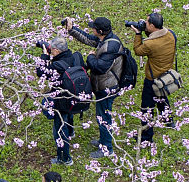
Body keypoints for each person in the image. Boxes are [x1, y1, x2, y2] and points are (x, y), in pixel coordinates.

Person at [66, 17, 125, 158]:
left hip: (107, 88)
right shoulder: (105, 39)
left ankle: (107, 148)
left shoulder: (110, 47)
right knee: (101, 115)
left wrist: (91, 57)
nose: (91, 29)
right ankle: (103, 141)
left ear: (99, 31)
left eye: (93, 28)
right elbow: (88, 39)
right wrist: (72, 30)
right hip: (103, 86)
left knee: (104, 117)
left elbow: (100, 67)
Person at [130, 11, 176, 144]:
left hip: (152, 79)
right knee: (161, 96)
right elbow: (155, 38)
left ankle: (146, 137)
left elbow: (138, 50)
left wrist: (138, 33)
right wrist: (146, 29)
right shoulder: (170, 34)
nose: (145, 23)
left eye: (147, 22)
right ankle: (168, 119)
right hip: (166, 75)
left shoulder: (150, 44)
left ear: (152, 26)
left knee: (147, 107)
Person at [37, 36, 85, 166]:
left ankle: (64, 158)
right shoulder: (75, 57)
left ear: (57, 51)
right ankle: (71, 132)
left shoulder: (57, 65)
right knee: (68, 115)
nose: (50, 51)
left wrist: (44, 56)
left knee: (59, 127)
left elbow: (41, 73)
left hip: (61, 100)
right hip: (75, 97)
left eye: (52, 49)